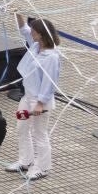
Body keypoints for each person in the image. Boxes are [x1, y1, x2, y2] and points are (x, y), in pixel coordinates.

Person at [7, 15, 60, 181]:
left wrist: (40, 103)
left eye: (35, 32)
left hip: (39, 101)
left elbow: (49, 82)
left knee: (39, 133)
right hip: (28, 95)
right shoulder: (36, 46)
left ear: (42, 34)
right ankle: (25, 160)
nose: (32, 34)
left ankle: (43, 167)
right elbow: (24, 30)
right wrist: (18, 14)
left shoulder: (52, 57)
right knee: (21, 127)